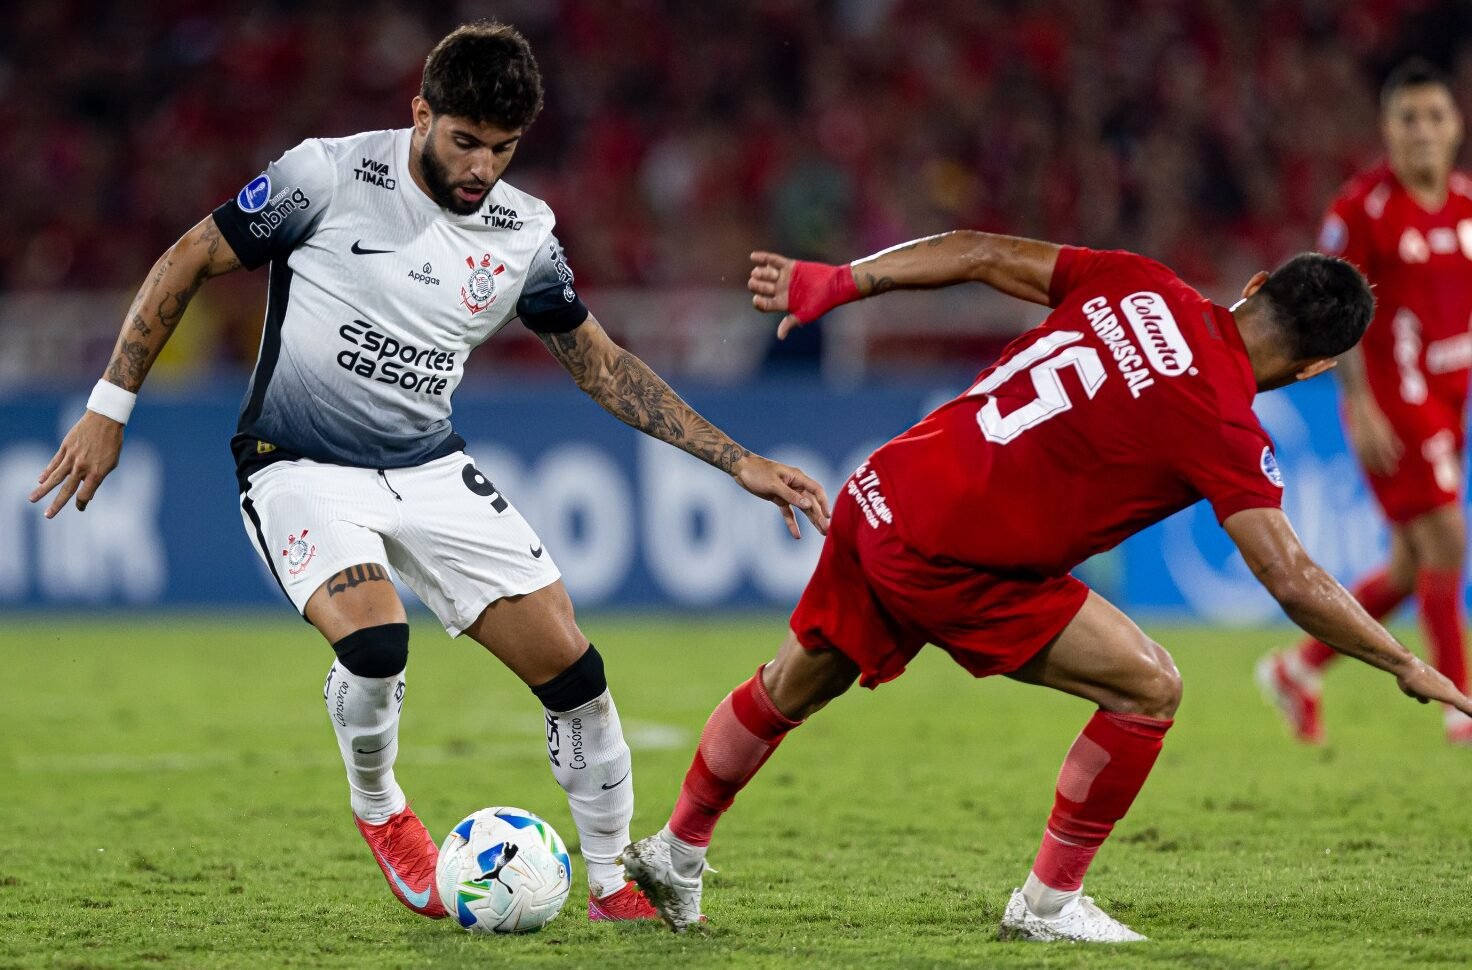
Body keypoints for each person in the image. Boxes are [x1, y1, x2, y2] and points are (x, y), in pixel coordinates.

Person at [28, 22, 829, 925]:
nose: (482, 167)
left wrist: (739, 461)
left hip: (429, 467)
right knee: (376, 643)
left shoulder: (525, 233)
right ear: (420, 114)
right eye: (465, 141)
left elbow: (602, 367)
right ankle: (380, 807)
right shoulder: (326, 176)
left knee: (577, 676)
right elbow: (188, 258)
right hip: (299, 460)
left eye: (503, 148)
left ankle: (611, 884)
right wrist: (109, 407)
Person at [620, 230, 1472, 942]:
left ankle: (676, 848)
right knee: (1150, 687)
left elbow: (978, 251)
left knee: (795, 681)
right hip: (952, 559)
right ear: (1318, 367)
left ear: (1253, 286)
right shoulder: (1224, 423)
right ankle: (1049, 904)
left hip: (884, 488)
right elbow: (1290, 576)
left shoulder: (1140, 280)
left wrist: (842, 280)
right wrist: (1402, 662)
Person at [1257, 60, 1472, 747]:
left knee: (1412, 565)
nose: (1423, 131)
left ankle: (1298, 668)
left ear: (1456, 126)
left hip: (1451, 399)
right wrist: (1360, 403)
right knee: (1448, 537)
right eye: (1409, 119)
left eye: (1434, 117)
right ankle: (1461, 710)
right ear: (1387, 127)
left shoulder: (1466, 204)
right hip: (1394, 402)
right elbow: (1334, 313)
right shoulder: (1361, 210)